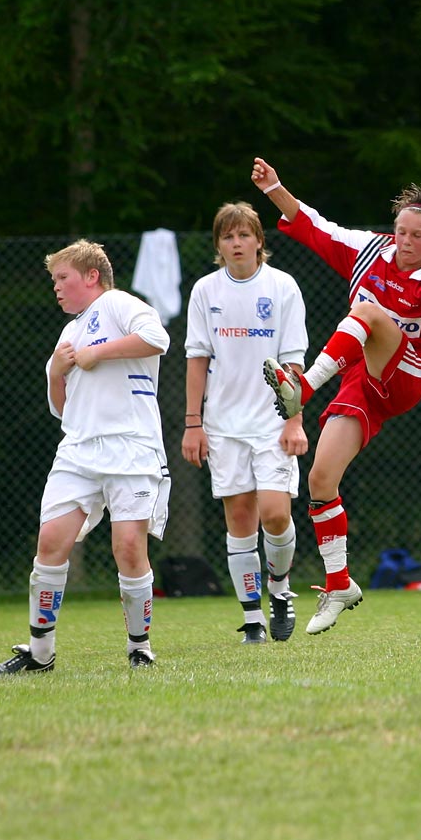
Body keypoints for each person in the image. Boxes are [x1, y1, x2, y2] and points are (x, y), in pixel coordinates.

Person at [251, 157, 421, 635]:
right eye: (402, 231)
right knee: (320, 479)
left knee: (367, 313)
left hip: (408, 375)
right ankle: (340, 583)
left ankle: (302, 387)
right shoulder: (370, 251)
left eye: (419, 236)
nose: (407, 242)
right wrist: (274, 188)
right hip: (361, 381)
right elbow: (313, 225)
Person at [0, 239, 172, 675]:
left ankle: (139, 646)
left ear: (91, 276)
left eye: (62, 278)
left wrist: (96, 353)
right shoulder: (70, 331)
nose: (56, 287)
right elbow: (62, 406)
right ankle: (40, 653)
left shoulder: (117, 304)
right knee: (51, 541)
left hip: (131, 446)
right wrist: (56, 372)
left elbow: (156, 337)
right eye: (54, 280)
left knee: (128, 546)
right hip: (78, 449)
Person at [182, 201, 309, 644]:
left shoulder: (282, 287)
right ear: (218, 244)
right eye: (227, 236)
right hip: (222, 424)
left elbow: (293, 363)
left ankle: (280, 589)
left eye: (244, 235)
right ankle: (253, 619)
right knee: (239, 518)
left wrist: (294, 422)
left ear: (259, 240)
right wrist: (193, 424)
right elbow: (197, 358)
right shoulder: (205, 291)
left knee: (274, 515)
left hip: (273, 423)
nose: (236, 243)